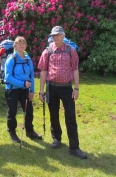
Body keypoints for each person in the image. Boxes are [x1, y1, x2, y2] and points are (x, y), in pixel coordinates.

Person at [38, 26, 87, 159]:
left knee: (70, 117)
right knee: (53, 115)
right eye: (53, 35)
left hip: (66, 88)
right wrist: (41, 91)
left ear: (63, 35)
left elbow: (75, 70)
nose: (55, 37)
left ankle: (74, 147)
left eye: (58, 35)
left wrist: (76, 88)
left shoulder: (71, 51)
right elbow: (43, 71)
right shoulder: (47, 51)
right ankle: (57, 139)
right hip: (51, 88)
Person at [4, 36, 42, 143]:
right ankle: (12, 132)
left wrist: (31, 90)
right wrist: (22, 83)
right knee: (12, 111)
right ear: (15, 46)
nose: (21, 45)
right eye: (19, 44)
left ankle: (30, 131)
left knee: (29, 110)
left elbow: (31, 75)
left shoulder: (27, 58)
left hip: (25, 90)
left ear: (25, 45)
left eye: (23, 43)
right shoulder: (11, 59)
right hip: (12, 89)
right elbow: (8, 77)